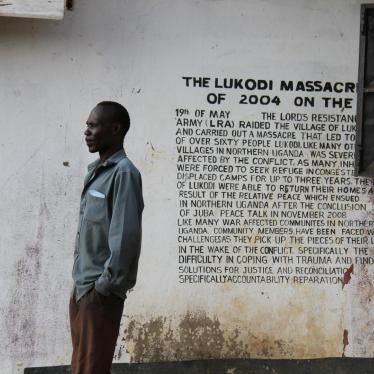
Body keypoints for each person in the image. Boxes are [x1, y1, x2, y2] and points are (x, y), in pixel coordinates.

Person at [69, 101, 144, 374]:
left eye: (93, 125)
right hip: (82, 287)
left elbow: (125, 236)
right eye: (87, 126)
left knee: (92, 368)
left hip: (99, 292)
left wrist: (104, 286)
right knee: (81, 366)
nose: (87, 132)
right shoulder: (97, 171)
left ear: (114, 129)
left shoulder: (124, 173)